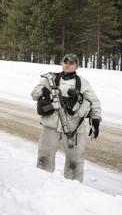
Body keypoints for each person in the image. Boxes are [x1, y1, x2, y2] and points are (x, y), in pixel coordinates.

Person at [31, 53, 102, 182]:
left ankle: (73, 191)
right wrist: (43, 91)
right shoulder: (50, 78)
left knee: (75, 162)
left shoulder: (82, 83)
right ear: (61, 63)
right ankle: (41, 184)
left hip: (73, 127)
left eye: (71, 63)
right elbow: (34, 94)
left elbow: (94, 102)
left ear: (77, 66)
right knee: (44, 157)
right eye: (65, 62)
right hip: (51, 125)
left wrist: (96, 121)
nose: (68, 65)